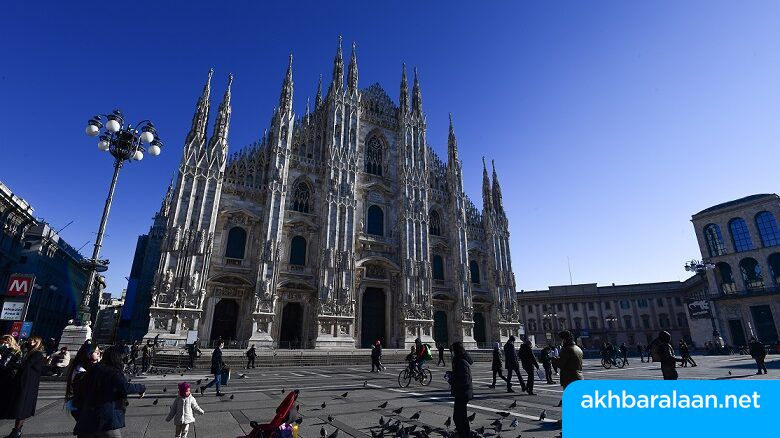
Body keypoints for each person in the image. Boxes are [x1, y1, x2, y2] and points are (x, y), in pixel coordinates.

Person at [73, 345, 146, 437]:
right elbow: (125, 387)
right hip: (103, 419)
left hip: (86, 419)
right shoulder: (112, 372)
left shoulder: (94, 370)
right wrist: (141, 388)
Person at [2, 336, 46, 438]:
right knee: (20, 406)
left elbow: (26, 365)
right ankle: (16, 431)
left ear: (38, 343)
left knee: (22, 407)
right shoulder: (28, 352)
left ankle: (17, 431)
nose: (30, 342)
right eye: (30, 340)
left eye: (34, 341)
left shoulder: (37, 354)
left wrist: (11, 365)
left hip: (27, 384)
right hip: (23, 382)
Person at [65, 340, 100, 421]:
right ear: (88, 353)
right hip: (84, 407)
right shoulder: (81, 371)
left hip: (83, 406)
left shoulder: (82, 367)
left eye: (99, 351)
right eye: (96, 352)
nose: (99, 353)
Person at [449, 341, 473, 438]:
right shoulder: (460, 360)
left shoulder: (461, 361)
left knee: (458, 417)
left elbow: (465, 379)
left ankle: (464, 435)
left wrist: (453, 380)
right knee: (461, 417)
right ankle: (465, 434)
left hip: (463, 392)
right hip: (462, 392)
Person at [557, 330, 583, 407]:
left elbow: (561, 364)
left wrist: (554, 360)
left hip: (569, 377)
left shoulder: (566, 349)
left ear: (564, 340)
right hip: (579, 375)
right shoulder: (578, 348)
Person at [0, 335, 22, 421]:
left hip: (6, 375)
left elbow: (4, 365)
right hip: (8, 375)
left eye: (4, 342)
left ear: (9, 342)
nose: (2, 344)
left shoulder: (12, 351)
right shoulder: (15, 351)